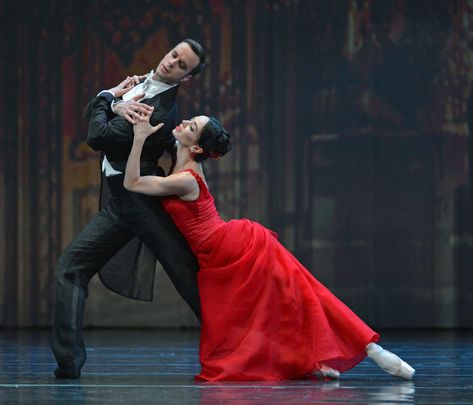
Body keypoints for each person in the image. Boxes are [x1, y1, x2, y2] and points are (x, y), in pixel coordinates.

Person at [123, 114, 416, 381]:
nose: (184, 122)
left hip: (230, 246)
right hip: (224, 247)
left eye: (192, 126)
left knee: (299, 292)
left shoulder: (185, 179)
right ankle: (330, 356)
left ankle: (367, 348)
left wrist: (139, 136)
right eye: (189, 121)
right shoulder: (186, 164)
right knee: (291, 295)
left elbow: (133, 183)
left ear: (197, 148)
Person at [51, 39, 206, 379]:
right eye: (174, 55)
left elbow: (96, 135)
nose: (172, 63)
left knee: (191, 279)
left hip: (139, 201)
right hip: (126, 201)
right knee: (72, 269)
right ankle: (68, 363)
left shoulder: (159, 110)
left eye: (181, 65)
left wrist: (109, 99)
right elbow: (94, 116)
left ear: (186, 78)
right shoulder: (137, 86)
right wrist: (113, 99)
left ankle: (250, 345)